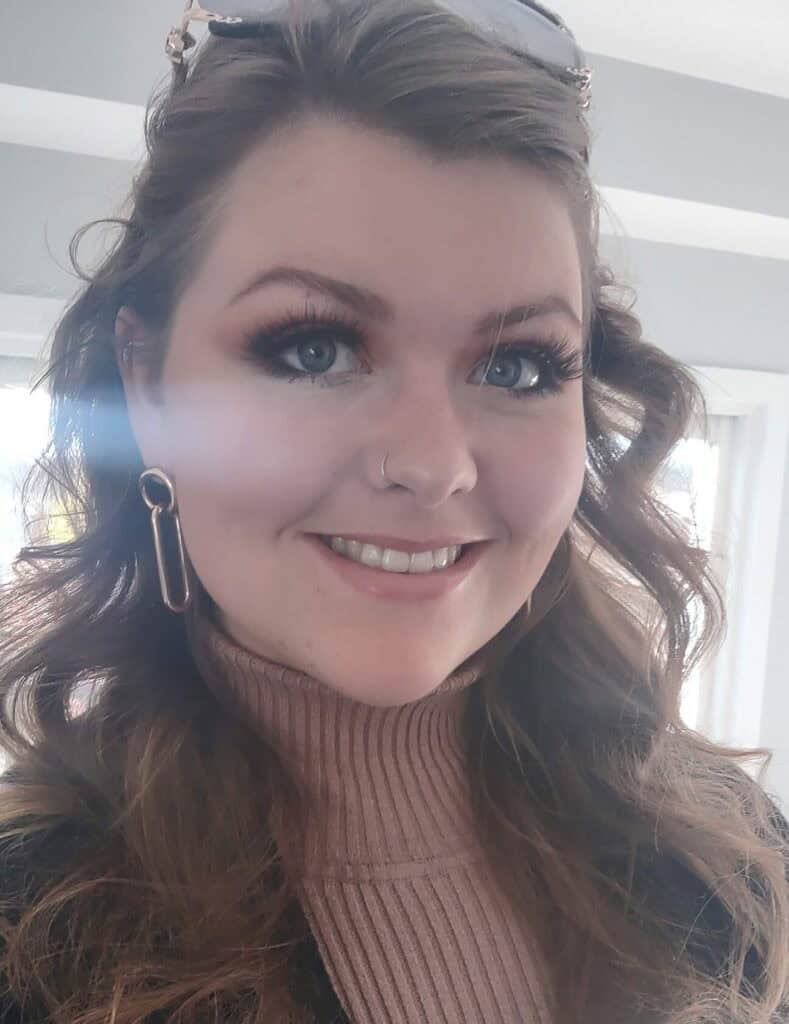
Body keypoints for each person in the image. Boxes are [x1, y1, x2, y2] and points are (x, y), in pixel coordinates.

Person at [0, 1, 787, 1021]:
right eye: (314, 348)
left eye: (517, 364)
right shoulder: (27, 937)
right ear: (148, 387)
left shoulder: (735, 852)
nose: (432, 464)